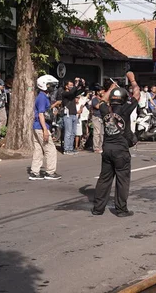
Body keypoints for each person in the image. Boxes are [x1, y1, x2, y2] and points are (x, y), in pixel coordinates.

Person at [92, 72, 140, 217]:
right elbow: (137, 95)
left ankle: (98, 209)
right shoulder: (125, 109)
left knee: (104, 179)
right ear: (124, 99)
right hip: (121, 150)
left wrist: (111, 90)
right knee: (122, 180)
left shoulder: (105, 109)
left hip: (107, 149)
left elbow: (100, 101)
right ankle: (121, 210)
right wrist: (132, 80)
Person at [29, 75, 61, 180]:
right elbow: (41, 114)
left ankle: (35, 172)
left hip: (36, 126)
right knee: (50, 149)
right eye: (50, 85)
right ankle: (50, 172)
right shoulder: (42, 97)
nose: (52, 87)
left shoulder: (42, 96)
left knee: (38, 149)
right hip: (41, 127)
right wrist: (45, 130)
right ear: (44, 85)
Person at [62, 78, 85, 155]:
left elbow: (81, 91)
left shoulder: (72, 93)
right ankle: (66, 149)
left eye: (72, 85)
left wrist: (82, 84)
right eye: (70, 85)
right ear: (66, 86)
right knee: (68, 133)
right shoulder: (64, 93)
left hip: (74, 114)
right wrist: (76, 85)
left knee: (73, 133)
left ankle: (71, 148)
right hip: (68, 115)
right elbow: (71, 93)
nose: (72, 86)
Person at [90, 87, 105, 154]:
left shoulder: (104, 99)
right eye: (102, 91)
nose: (103, 93)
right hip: (96, 117)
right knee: (97, 132)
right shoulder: (95, 99)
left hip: (103, 117)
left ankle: (101, 147)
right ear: (98, 92)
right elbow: (97, 106)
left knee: (102, 133)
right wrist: (103, 102)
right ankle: (96, 148)